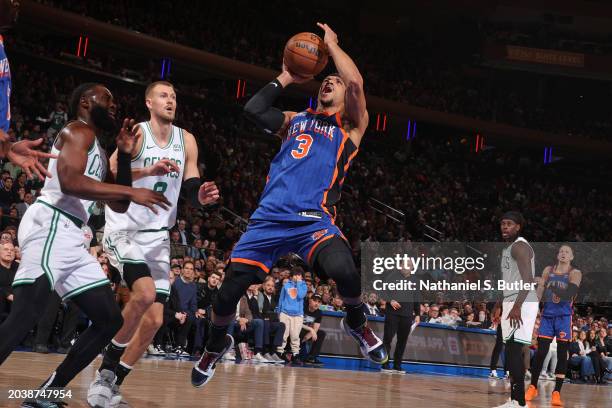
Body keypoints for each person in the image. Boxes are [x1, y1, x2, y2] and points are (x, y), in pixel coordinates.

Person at [192, 22, 387, 388]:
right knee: (226, 296)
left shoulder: (351, 126)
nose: (330, 81)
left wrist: (332, 44)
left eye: (336, 81)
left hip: (313, 219)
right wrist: (286, 75)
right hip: (268, 219)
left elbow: (357, 83)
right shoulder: (293, 120)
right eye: (325, 78)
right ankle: (216, 344)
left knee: (345, 271)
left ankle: (358, 324)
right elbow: (252, 109)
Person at [0, 82, 170, 408]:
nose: (114, 104)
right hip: (51, 223)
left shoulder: (101, 151)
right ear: (84, 102)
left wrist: (128, 162)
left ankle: (49, 391)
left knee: (109, 319)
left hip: (73, 236)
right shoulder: (77, 131)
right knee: (25, 314)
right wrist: (134, 193)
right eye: (107, 98)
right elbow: (69, 181)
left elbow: (118, 205)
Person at [88, 80, 219, 407]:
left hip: (159, 237)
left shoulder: (186, 140)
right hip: (125, 228)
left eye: (174, 95)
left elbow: (190, 183)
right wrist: (140, 164)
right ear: (149, 102)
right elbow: (112, 173)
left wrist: (199, 196)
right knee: (144, 294)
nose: (170, 100)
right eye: (163, 95)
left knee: (155, 320)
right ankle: (105, 371)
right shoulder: (139, 134)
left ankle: (114, 382)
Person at [526, 245, 581, 406]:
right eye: (561, 251)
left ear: (571, 256)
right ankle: (533, 387)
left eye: (567, 252)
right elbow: (539, 294)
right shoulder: (548, 270)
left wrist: (549, 284)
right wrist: (532, 306)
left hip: (564, 317)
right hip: (548, 316)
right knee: (541, 352)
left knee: (562, 353)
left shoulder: (574, 273)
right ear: (557, 255)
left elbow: (569, 293)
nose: (563, 253)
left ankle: (556, 392)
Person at [493, 211, 537, 408]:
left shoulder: (520, 246)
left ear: (518, 227)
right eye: (503, 223)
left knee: (513, 350)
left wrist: (517, 306)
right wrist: (498, 303)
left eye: (509, 224)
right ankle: (514, 400)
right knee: (510, 349)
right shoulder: (508, 248)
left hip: (523, 301)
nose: (505, 227)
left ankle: (518, 402)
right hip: (512, 300)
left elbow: (527, 280)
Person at [300, 293, 326, 365]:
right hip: (297, 330)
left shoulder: (319, 313)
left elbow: (316, 329)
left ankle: (311, 357)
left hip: (306, 333)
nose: (316, 303)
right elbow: (297, 324)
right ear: (309, 301)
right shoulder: (302, 307)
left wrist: (307, 337)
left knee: (321, 333)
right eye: (315, 301)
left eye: (319, 302)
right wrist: (311, 330)